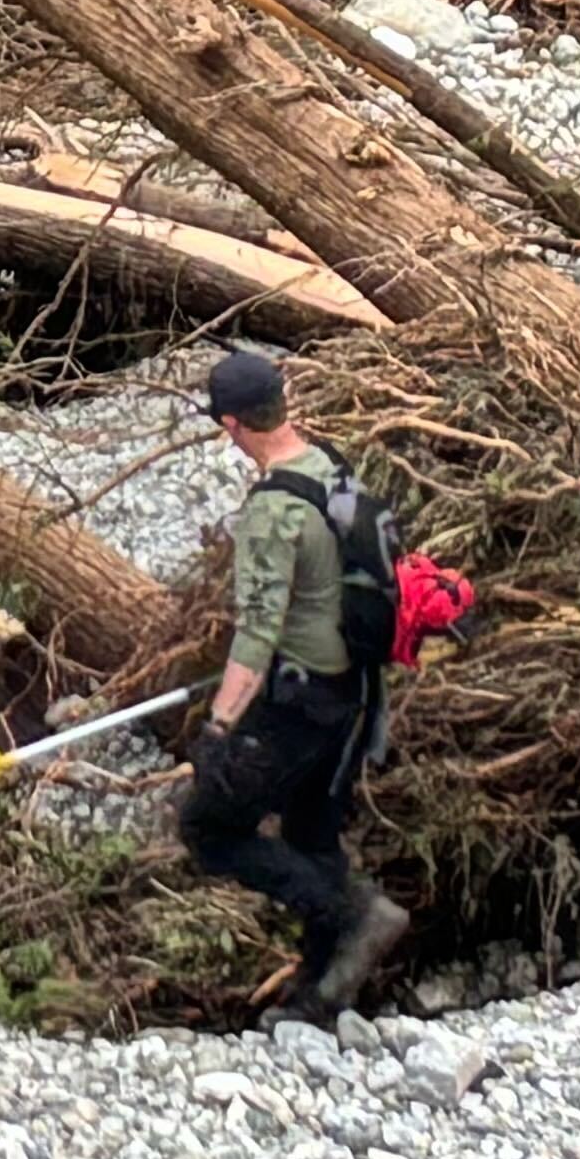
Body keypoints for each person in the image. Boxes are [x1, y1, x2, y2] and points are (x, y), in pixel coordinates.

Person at [178, 344, 412, 1017]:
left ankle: (355, 913)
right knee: (311, 835)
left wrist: (220, 727)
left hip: (300, 701)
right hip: (356, 694)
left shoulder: (273, 508)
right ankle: (325, 992)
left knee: (208, 827)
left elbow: (257, 632)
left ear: (231, 427)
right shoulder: (332, 468)